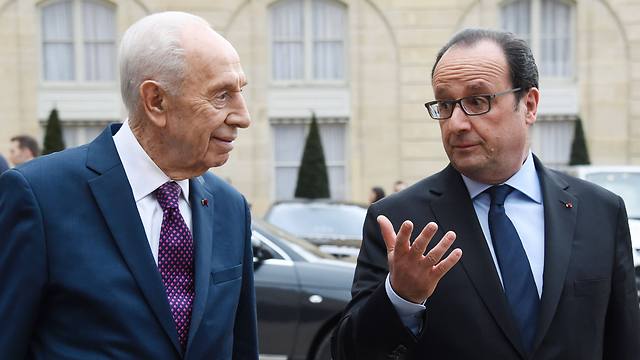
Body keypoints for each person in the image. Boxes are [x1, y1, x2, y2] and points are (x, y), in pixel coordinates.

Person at [333, 29, 639, 359]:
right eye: (446, 105)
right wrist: (401, 299)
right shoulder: (400, 221)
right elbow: (349, 351)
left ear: (530, 105)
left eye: (477, 101)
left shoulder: (601, 212)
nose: (456, 124)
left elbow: (624, 343)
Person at [0, 12, 257, 359]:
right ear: (156, 102)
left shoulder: (231, 207)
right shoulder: (38, 197)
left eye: (239, 92)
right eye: (222, 96)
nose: (243, 116)